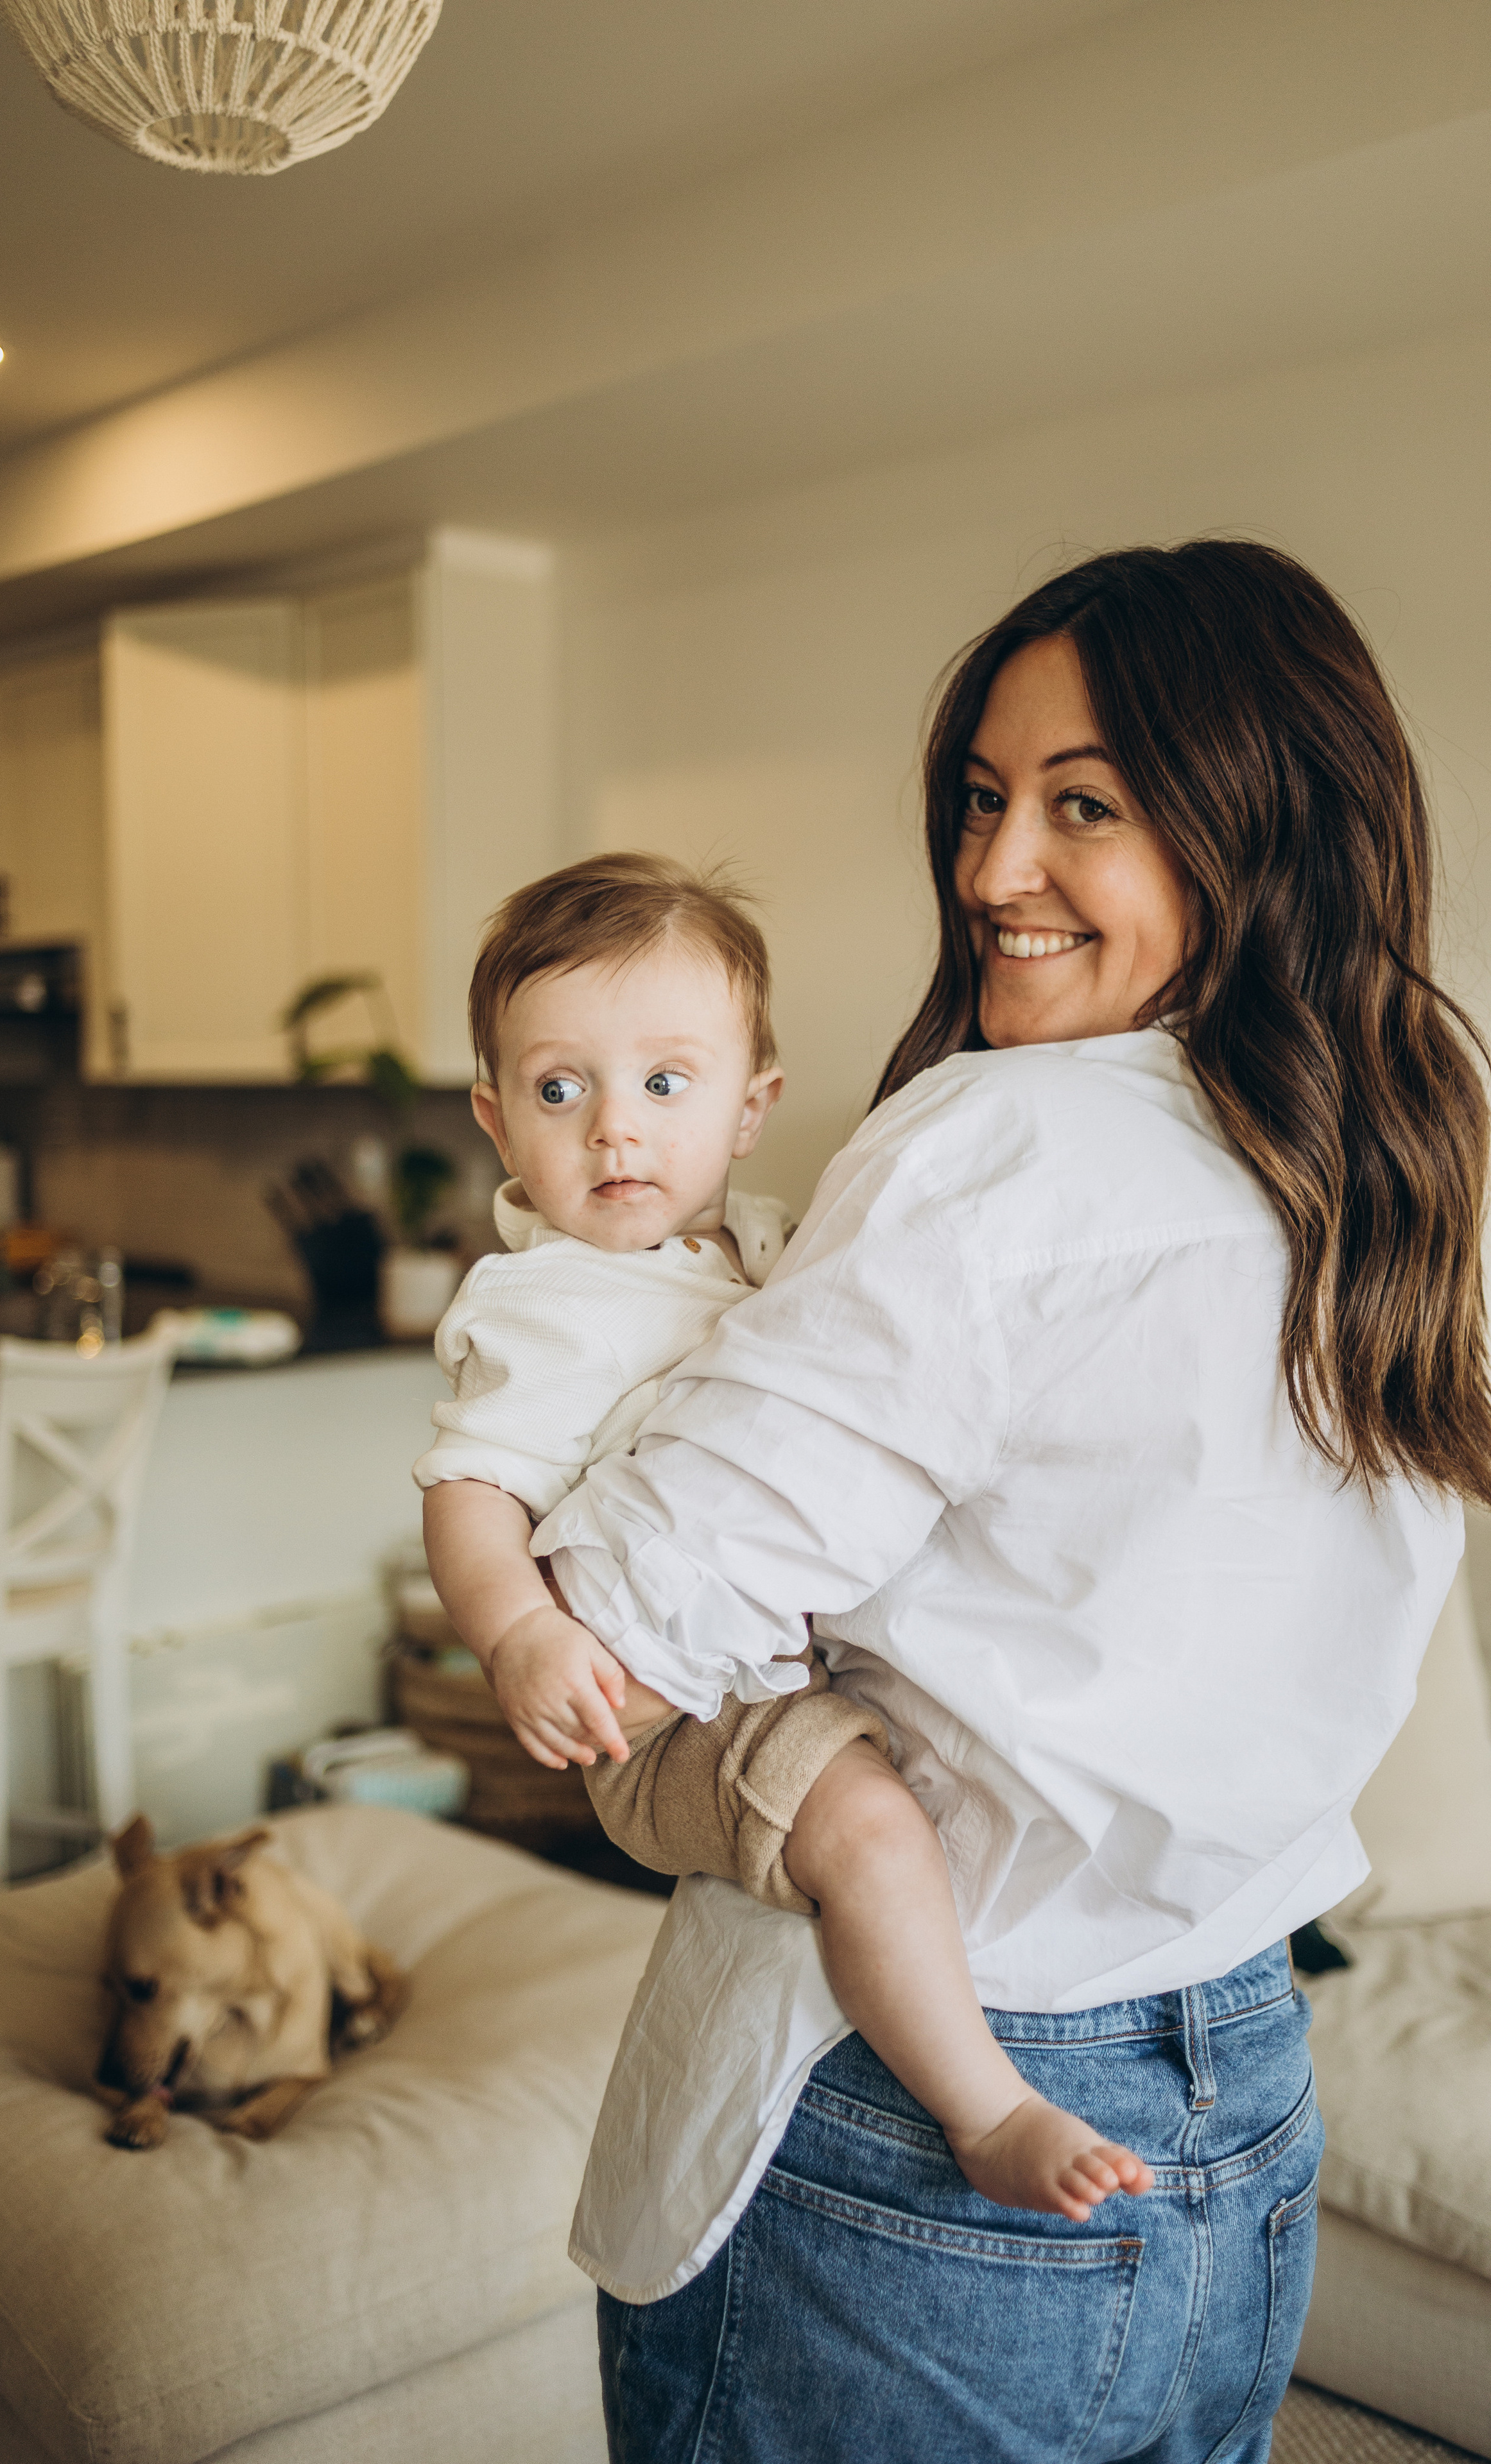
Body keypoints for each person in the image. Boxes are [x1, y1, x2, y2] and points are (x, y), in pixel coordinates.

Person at [500, 542, 1486, 2463]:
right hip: (1248, 2090)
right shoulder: (1396, 1141)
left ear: (1254, 824)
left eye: (1084, 806)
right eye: (982, 799)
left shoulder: (1000, 1141)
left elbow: (623, 1628)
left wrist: (546, 1415)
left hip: (929, 2115)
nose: (988, 869)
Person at [419, 850, 1151, 2220]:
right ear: (494, 1116)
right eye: (557, 1089)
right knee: (872, 1835)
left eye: (663, 1083)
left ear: (751, 1105)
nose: (612, 1133)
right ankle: (984, 2106)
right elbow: (468, 1492)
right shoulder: (537, 1304)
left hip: (775, 1669)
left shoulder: (767, 1243)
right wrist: (516, 1631)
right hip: (666, 1723)